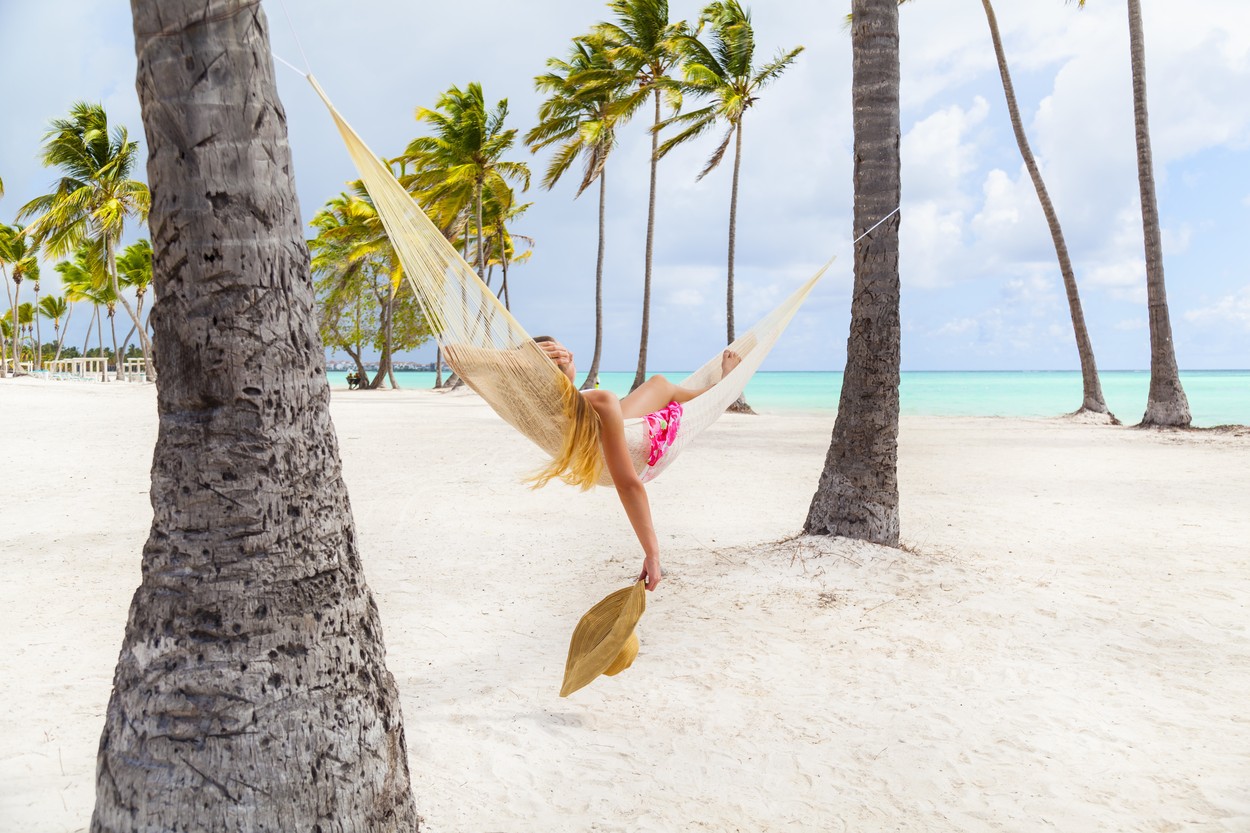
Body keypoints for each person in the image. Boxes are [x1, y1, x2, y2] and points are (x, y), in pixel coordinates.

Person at [531, 336, 741, 592]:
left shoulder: (537, 403)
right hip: (636, 450)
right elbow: (628, 485)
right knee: (660, 384)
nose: (571, 353)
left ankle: (719, 388)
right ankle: (723, 386)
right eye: (564, 352)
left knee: (660, 385)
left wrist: (521, 358)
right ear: (564, 362)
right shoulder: (599, 400)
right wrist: (653, 554)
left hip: (604, 444)